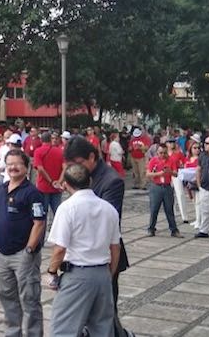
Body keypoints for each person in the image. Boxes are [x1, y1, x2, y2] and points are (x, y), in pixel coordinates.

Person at [46, 164, 121, 337]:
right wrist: (109, 274)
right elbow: (115, 248)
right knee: (102, 328)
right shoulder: (108, 209)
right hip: (102, 273)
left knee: (63, 328)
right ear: (91, 181)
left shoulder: (67, 208)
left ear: (65, 184)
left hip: (77, 274)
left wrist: (52, 272)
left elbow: (59, 249)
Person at [63, 137, 129, 320]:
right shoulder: (80, 177)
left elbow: (105, 221)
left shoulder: (111, 181)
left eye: (78, 164)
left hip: (103, 255)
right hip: (79, 257)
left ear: (92, 157)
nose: (73, 170)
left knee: (104, 313)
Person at [0, 149, 46, 337]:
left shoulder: (33, 193)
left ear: (26, 167)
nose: (13, 168)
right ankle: (12, 333)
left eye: (17, 164)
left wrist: (29, 250)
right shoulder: (0, 189)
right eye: (9, 164)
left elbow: (39, 224)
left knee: (30, 300)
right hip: (1, 254)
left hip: (23, 255)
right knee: (7, 297)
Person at [146, 143, 182, 238]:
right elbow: (148, 174)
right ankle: (151, 228)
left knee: (169, 209)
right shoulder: (153, 160)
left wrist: (169, 172)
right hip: (156, 186)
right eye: (160, 153)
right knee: (154, 209)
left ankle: (174, 230)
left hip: (167, 186)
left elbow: (175, 173)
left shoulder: (171, 160)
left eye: (164, 153)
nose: (162, 155)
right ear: (157, 153)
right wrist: (159, 173)